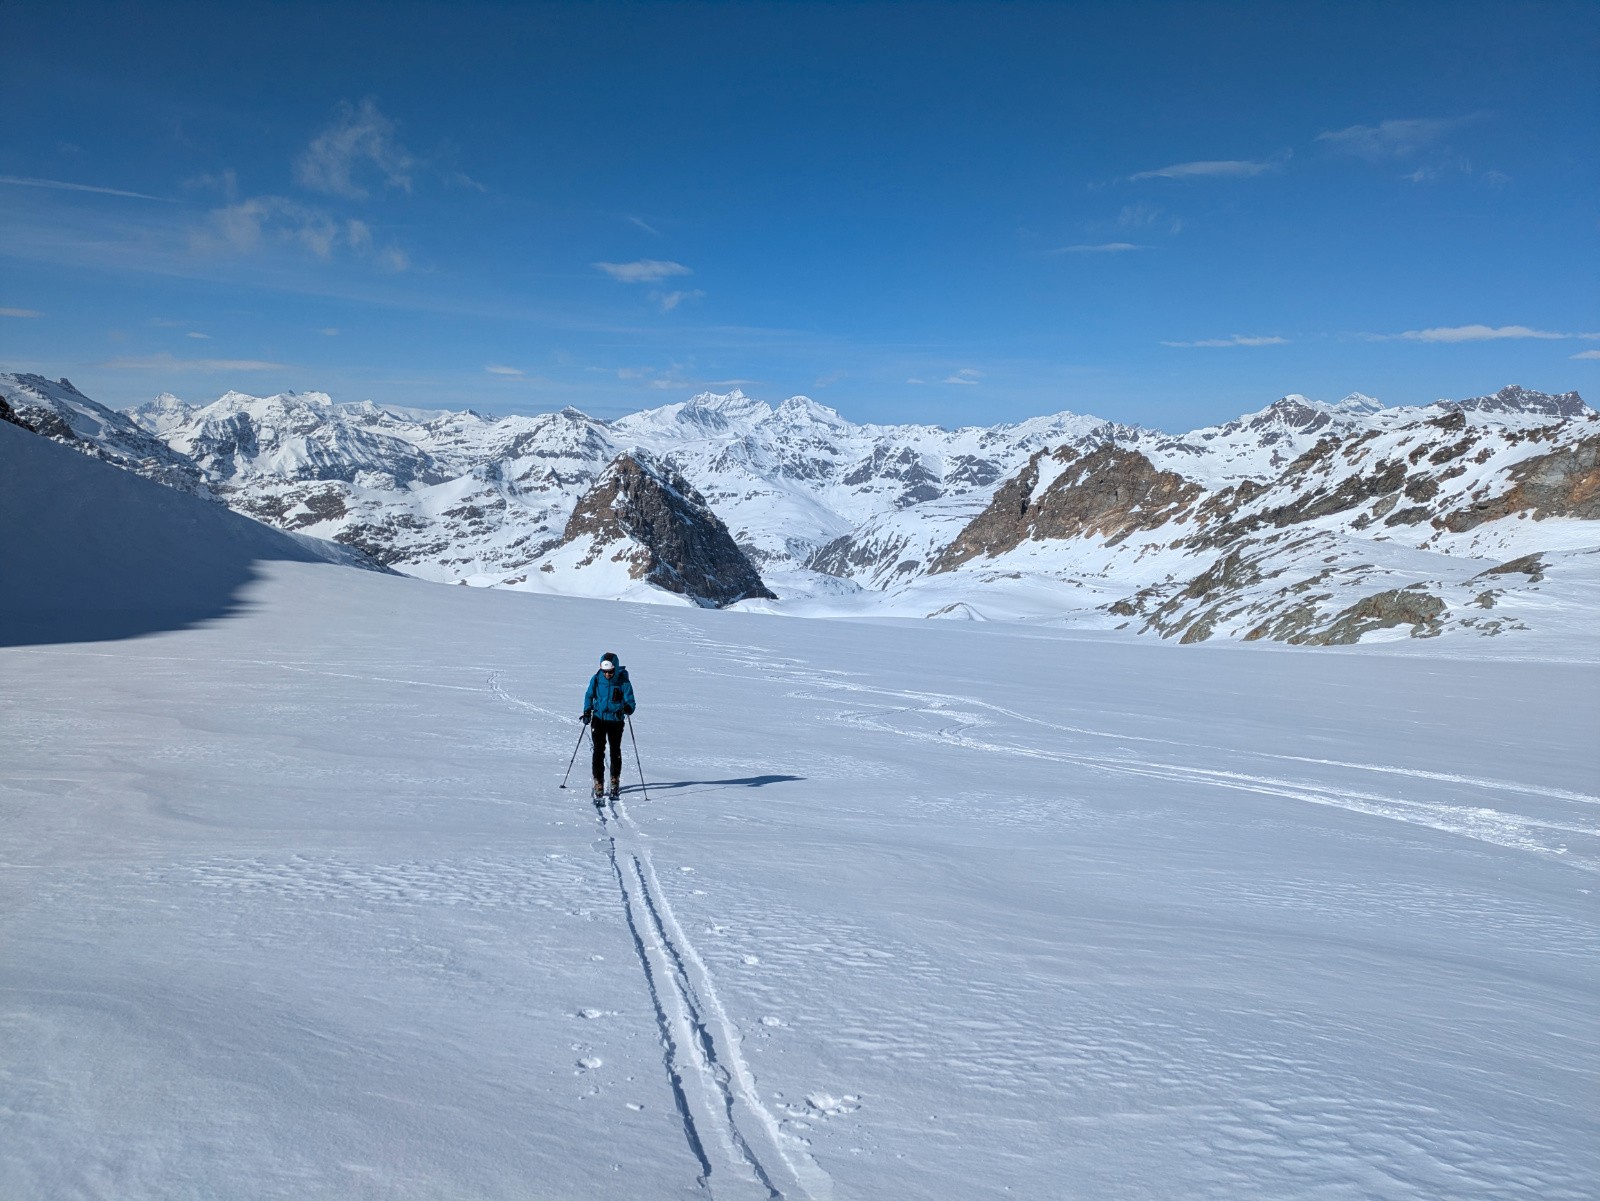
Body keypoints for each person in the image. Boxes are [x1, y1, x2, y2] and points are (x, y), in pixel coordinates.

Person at [581, 652, 635, 801]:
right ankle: (598, 781)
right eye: (605, 672)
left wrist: (628, 708)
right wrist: (587, 711)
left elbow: (631, 700)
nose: (607, 675)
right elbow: (589, 695)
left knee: (615, 750)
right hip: (599, 719)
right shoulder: (596, 679)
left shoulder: (623, 682)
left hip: (616, 720)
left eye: (610, 672)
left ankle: (614, 780)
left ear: (615, 669)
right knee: (598, 750)